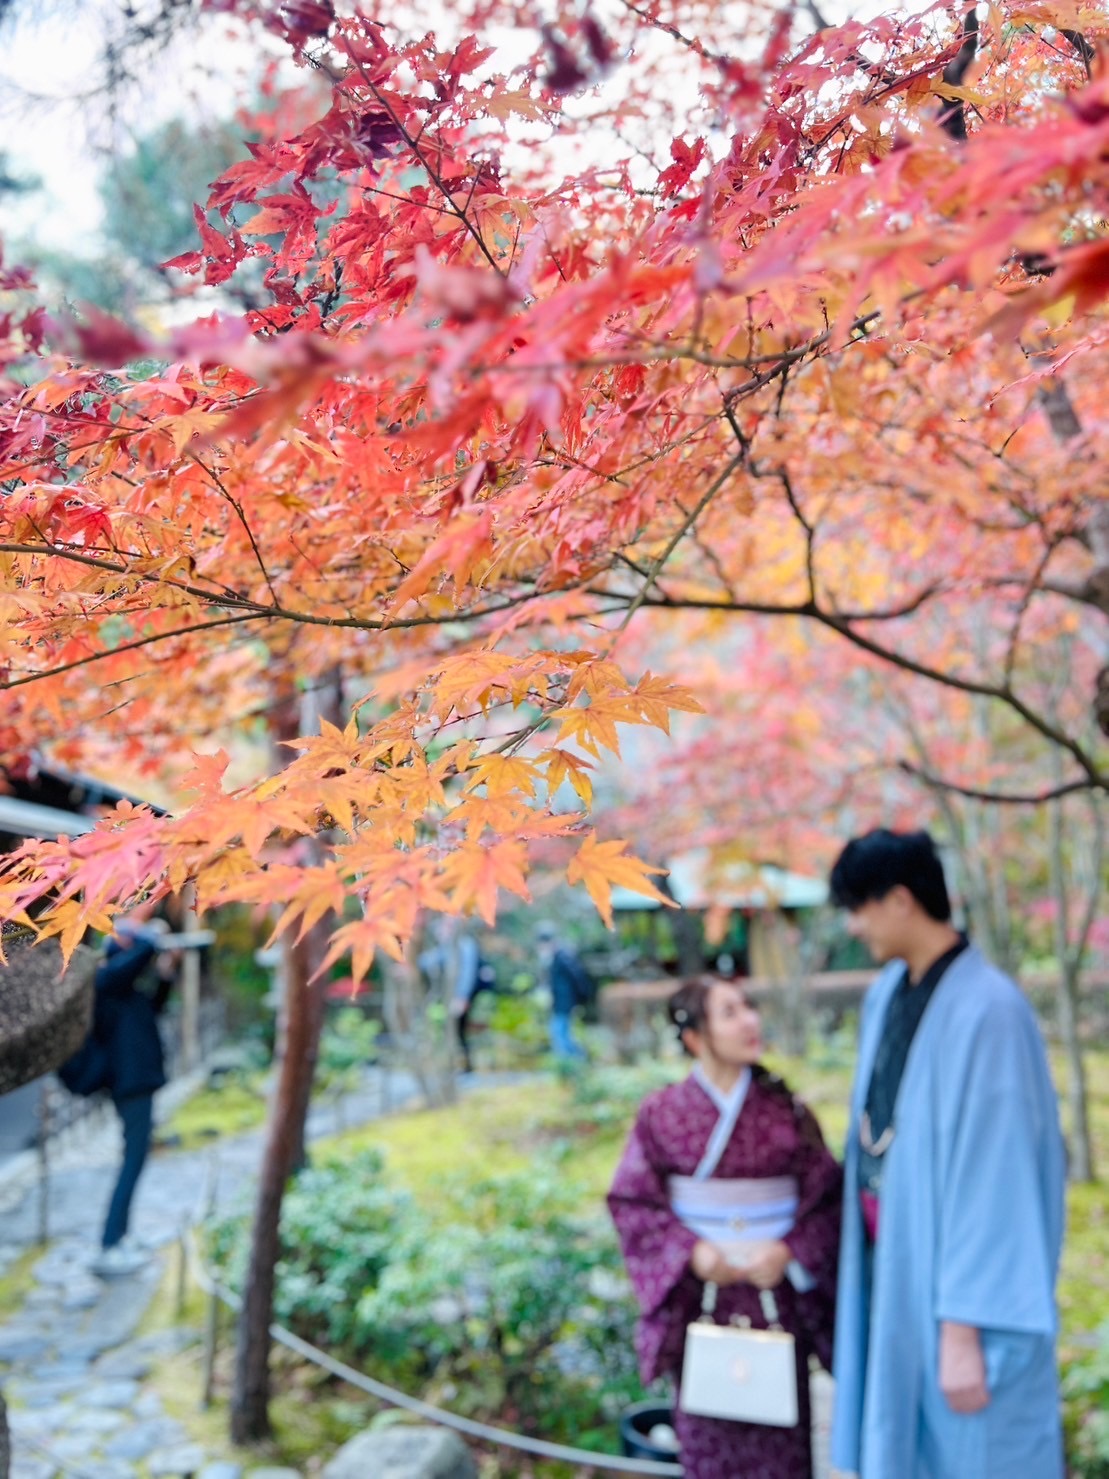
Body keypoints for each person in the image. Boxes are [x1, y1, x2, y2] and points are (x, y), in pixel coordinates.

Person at [828, 829, 1066, 1479]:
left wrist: (963, 1327)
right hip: (893, 1253)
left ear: (900, 899)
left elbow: (999, 1178)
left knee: (970, 1443)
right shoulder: (885, 992)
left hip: (956, 1275)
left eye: (859, 906)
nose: (853, 925)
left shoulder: (990, 1009)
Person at [608, 977, 842, 1479]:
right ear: (695, 1036)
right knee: (707, 1442)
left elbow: (827, 1199)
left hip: (773, 1293)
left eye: (749, 1008)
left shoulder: (787, 1110)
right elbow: (633, 1200)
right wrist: (690, 1253)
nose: (750, 1021)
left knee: (782, 1443)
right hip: (700, 1297)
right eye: (730, 1012)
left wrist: (789, 1251)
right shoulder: (661, 1113)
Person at [91, 912, 180, 1277]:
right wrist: (152, 935)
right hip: (129, 1087)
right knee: (132, 1162)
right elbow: (137, 954)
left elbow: (155, 1006)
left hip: (139, 1084)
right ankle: (110, 1243)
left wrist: (166, 972)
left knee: (135, 1160)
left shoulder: (126, 992)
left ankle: (120, 1236)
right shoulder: (107, 981)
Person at [536, 922, 591, 1061]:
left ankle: (571, 1062)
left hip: (564, 1002)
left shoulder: (562, 957)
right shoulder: (557, 958)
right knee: (561, 1033)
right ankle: (576, 1060)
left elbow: (576, 977)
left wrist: (580, 997)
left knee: (559, 1033)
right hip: (561, 1002)